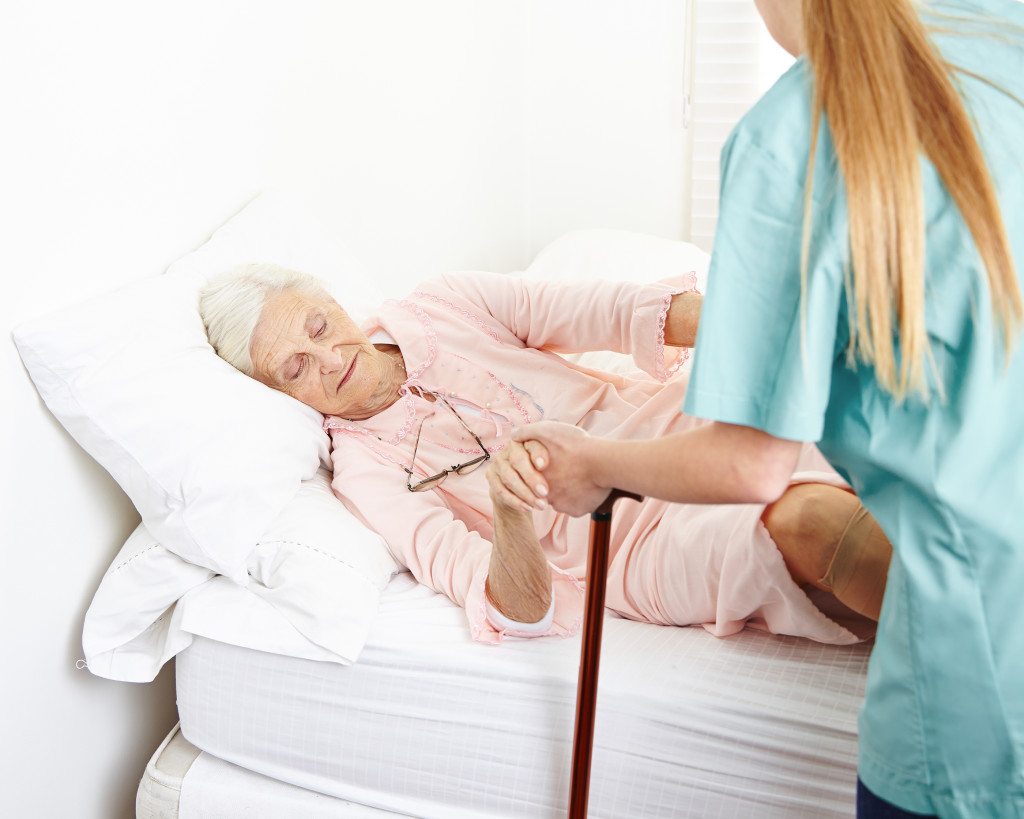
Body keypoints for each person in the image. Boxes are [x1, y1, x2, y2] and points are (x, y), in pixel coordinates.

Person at [515, 1, 1024, 816]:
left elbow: (747, 461)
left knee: (799, 518)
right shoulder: (1001, 28)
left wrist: (593, 463)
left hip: (980, 683)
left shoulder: (791, 136)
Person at [199, 262, 890, 649]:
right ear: (278, 396)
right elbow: (516, 606)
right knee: (810, 523)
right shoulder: (364, 475)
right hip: (629, 545)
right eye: (294, 369)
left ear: (333, 300)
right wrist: (507, 510)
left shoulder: (440, 303)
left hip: (671, 424)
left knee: (870, 400)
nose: (328, 359)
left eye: (319, 327)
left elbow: (611, 310)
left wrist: (769, 331)